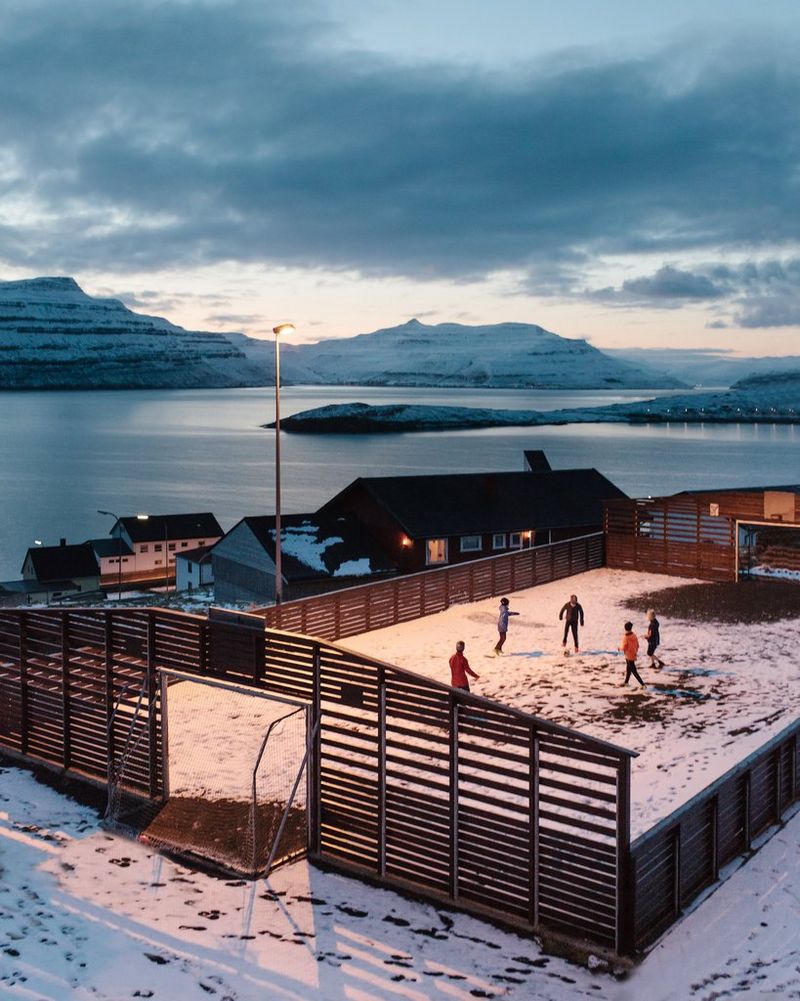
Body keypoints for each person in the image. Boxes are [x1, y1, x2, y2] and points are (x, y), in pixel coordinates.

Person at [619, 621, 646, 688]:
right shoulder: (634, 635)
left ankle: (643, 684)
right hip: (633, 654)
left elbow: (624, 646)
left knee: (634, 671)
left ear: (625, 629)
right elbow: (637, 645)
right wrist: (635, 651)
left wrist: (619, 648)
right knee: (628, 669)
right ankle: (626, 682)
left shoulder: (626, 637)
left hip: (628, 655)